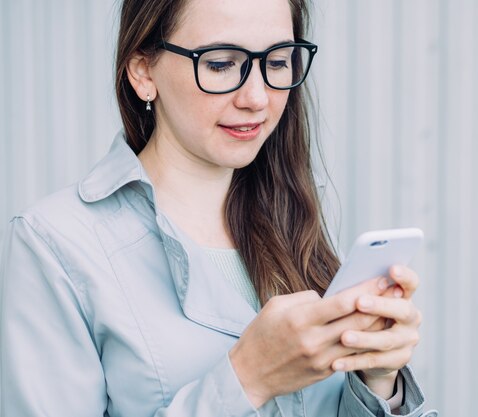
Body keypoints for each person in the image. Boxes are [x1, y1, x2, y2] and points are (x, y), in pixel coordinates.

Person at [0, 0, 437, 416]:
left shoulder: (294, 223)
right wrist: (247, 379)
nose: (257, 97)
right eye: (221, 63)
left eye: (278, 62)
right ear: (142, 71)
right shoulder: (56, 243)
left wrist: (379, 381)